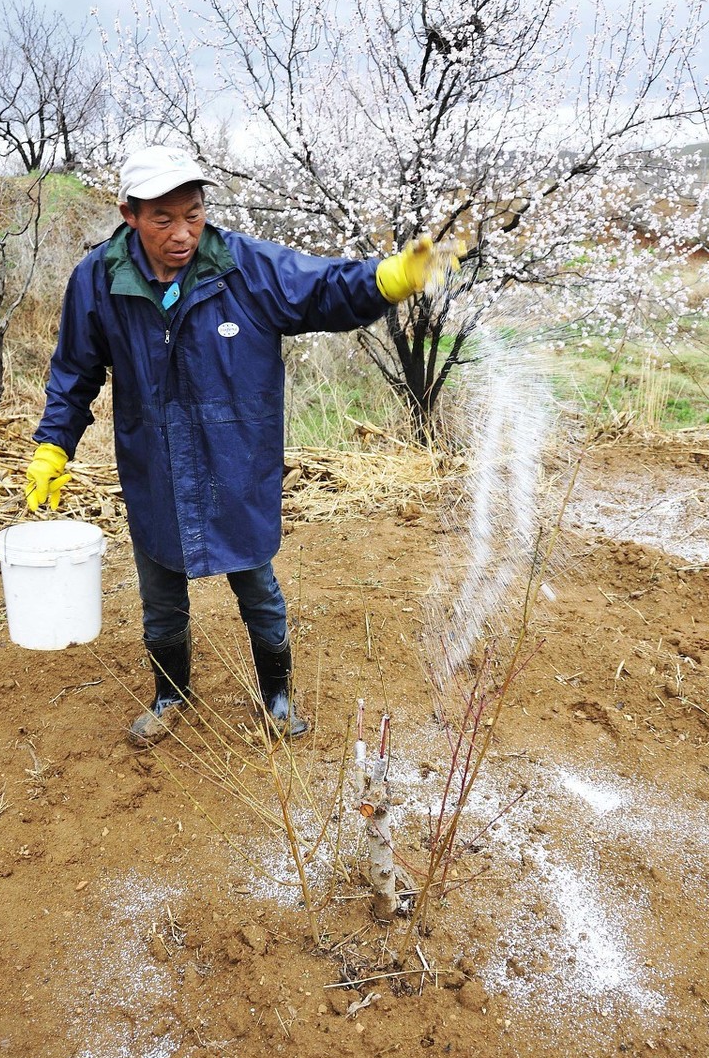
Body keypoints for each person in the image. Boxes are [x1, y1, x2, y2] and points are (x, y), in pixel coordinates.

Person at [25, 144, 457, 747]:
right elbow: (75, 372)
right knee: (159, 593)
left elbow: (321, 289)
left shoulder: (243, 266)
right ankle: (171, 693)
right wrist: (53, 447)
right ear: (129, 215)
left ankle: (278, 699)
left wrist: (387, 280)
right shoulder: (98, 278)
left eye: (194, 214)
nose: (183, 233)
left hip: (236, 460)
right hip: (155, 464)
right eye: (164, 219)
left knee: (257, 587)